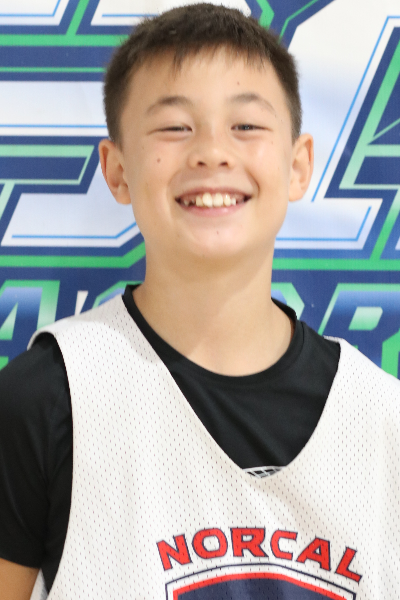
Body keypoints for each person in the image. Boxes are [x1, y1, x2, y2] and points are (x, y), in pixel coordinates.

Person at [0, 3, 399, 599]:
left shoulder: (385, 421)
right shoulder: (45, 401)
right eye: (175, 127)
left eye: (246, 126)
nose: (212, 152)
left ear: (297, 166)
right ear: (117, 170)